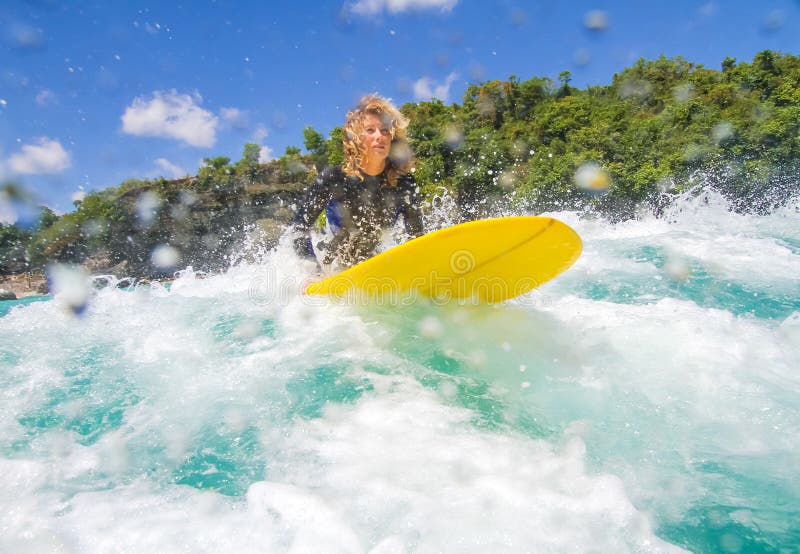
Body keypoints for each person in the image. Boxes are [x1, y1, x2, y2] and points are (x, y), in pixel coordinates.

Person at [291, 94, 424, 270]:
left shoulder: (404, 183)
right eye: (370, 130)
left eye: (385, 130)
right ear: (356, 138)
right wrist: (313, 274)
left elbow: (417, 237)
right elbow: (299, 229)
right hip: (333, 266)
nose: (380, 136)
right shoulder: (332, 179)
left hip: (372, 264)